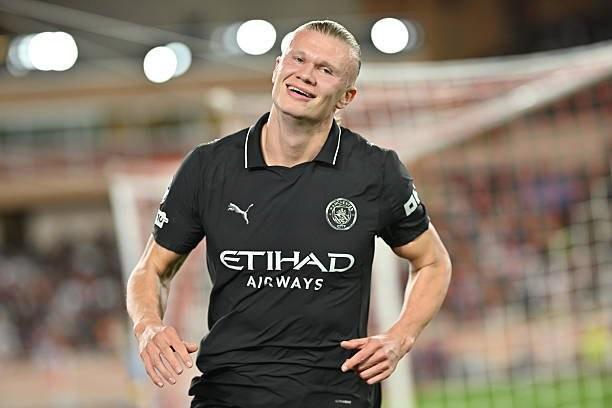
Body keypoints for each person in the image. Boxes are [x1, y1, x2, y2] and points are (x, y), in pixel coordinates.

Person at [126, 20, 452, 408]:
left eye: (325, 70)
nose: (306, 75)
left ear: (346, 97)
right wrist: (148, 326)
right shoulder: (208, 166)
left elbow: (433, 261)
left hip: (335, 393)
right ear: (277, 67)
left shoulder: (375, 171)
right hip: (228, 392)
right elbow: (151, 269)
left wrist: (401, 336)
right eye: (298, 59)